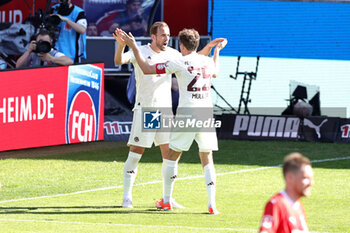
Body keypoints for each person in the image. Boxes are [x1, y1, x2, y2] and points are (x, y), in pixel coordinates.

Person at [113, 21, 224, 209]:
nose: (166, 38)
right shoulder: (139, 50)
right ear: (153, 36)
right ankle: (127, 197)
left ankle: (167, 198)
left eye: (168, 34)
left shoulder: (174, 54)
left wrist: (208, 48)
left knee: (169, 155)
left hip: (165, 110)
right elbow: (118, 61)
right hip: (147, 108)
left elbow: (192, 60)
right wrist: (122, 46)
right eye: (163, 35)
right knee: (136, 153)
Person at [259, 153, 314, 233]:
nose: (311, 183)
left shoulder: (298, 206)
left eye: (311, 178)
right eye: (305, 178)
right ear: (290, 177)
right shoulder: (277, 204)